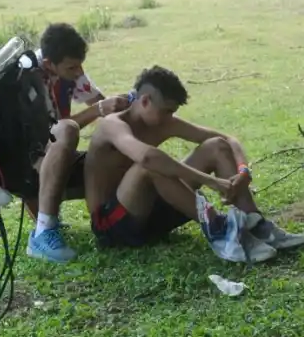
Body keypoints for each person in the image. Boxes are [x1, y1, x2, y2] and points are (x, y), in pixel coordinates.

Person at [85, 65, 304, 261]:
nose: (170, 117)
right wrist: (210, 181)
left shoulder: (163, 122)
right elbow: (147, 158)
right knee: (149, 164)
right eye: (167, 111)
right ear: (144, 101)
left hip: (151, 215)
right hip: (112, 226)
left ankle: (257, 224)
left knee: (215, 146)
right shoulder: (112, 125)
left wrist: (243, 170)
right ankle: (220, 230)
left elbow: (229, 139)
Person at [26, 23, 129, 263]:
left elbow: (100, 103)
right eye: (72, 67)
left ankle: (108, 222)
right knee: (68, 129)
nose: (78, 71)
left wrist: (124, 108)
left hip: (56, 154)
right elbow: (51, 134)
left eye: (80, 65)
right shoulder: (28, 78)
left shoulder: (70, 70)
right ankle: (43, 232)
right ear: (50, 63)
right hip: (32, 160)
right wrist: (98, 110)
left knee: (115, 153)